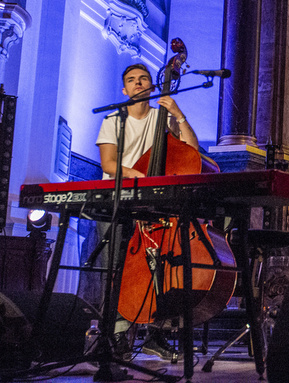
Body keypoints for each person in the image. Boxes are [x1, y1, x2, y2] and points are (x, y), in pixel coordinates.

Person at [95, 63, 198, 361]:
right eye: (132, 80)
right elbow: (108, 165)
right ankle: (114, 334)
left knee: (159, 272)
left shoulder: (160, 118)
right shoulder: (113, 120)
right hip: (115, 199)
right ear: (124, 89)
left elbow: (191, 149)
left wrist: (179, 116)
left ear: (153, 86)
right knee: (114, 271)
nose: (138, 84)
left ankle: (156, 334)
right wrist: (139, 176)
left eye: (143, 79)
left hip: (150, 206)